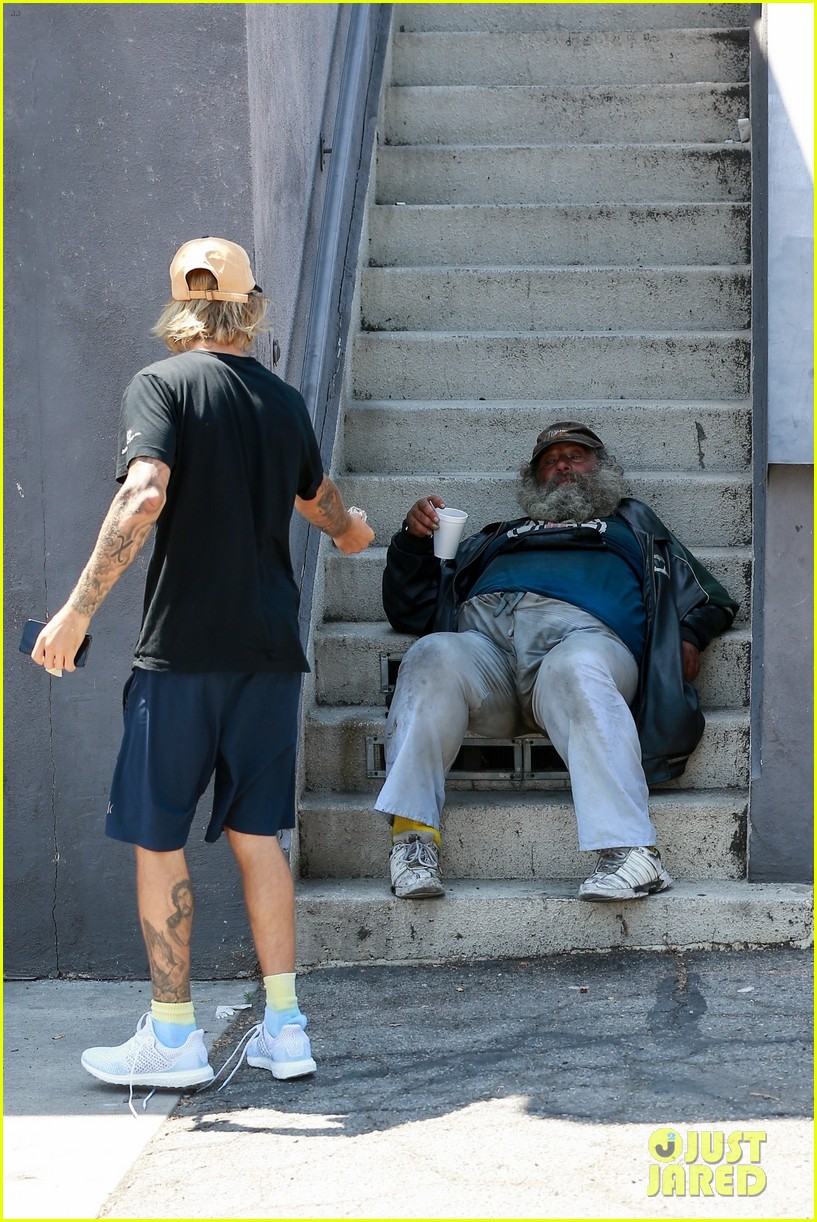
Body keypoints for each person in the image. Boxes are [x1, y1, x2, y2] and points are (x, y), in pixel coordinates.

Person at [31, 237, 374, 1096]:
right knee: (260, 841)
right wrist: (351, 532)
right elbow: (317, 497)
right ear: (250, 303)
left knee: (157, 840)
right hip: (267, 654)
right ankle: (286, 1029)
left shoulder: (162, 383)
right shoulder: (284, 400)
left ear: (176, 303)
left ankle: (175, 1037)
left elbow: (144, 493)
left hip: (180, 656)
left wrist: (76, 611)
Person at [375, 421, 737, 902]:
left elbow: (713, 598)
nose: (562, 464)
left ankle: (631, 852)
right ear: (533, 478)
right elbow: (411, 609)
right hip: (488, 656)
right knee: (429, 653)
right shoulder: (497, 536)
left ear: (604, 469)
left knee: (575, 668)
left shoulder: (633, 527)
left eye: (576, 455)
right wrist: (413, 541)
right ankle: (413, 840)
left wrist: (689, 634)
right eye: (550, 459)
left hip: (582, 642)